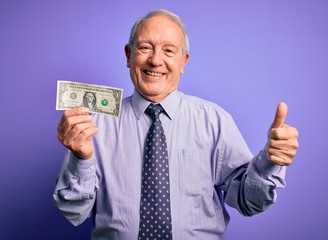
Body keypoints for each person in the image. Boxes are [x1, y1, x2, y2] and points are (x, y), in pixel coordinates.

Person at [53, 9, 299, 240]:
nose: (155, 60)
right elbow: (73, 211)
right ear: (129, 55)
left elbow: (249, 202)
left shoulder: (214, 121)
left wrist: (269, 163)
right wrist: (81, 159)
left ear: (183, 61)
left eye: (169, 51)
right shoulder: (93, 126)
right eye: (145, 48)